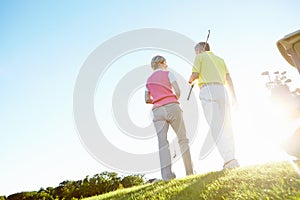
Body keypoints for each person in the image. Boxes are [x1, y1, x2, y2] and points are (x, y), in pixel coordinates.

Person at [188, 42, 240, 169]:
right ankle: (232, 158)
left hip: (208, 91)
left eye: (196, 52)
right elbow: (228, 78)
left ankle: (229, 160)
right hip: (222, 90)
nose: (196, 54)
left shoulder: (199, 57)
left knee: (216, 126)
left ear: (199, 50)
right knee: (227, 125)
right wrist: (234, 97)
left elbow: (194, 75)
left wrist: (190, 80)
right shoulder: (220, 59)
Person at [145, 55, 194, 180]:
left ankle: (167, 177)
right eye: (166, 63)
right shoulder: (168, 74)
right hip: (172, 106)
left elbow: (146, 99)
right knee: (182, 139)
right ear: (162, 63)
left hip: (157, 110)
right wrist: (170, 100)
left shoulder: (148, 80)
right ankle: (190, 173)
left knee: (162, 144)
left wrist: (157, 100)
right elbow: (178, 91)